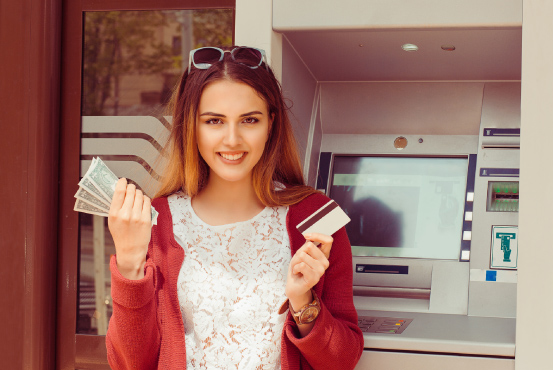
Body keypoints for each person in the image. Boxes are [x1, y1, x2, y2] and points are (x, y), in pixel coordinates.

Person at [105, 46, 364, 370]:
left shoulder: (316, 217)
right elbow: (129, 364)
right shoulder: (158, 221)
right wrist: (129, 263)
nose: (232, 139)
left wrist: (304, 303)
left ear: (270, 123)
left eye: (249, 120)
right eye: (214, 121)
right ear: (191, 126)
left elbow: (343, 360)